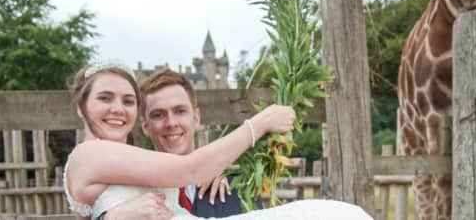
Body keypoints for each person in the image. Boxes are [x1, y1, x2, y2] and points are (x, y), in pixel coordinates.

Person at [64, 61, 372, 220]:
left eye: (128, 101)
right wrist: (259, 124)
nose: (118, 109)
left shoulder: (126, 161)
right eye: (105, 98)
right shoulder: (89, 154)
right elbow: (187, 170)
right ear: (81, 107)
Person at [101, 68, 261, 220]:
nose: (171, 123)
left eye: (180, 111)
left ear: (196, 118)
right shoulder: (130, 191)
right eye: (158, 115)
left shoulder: (238, 187)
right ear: (145, 126)